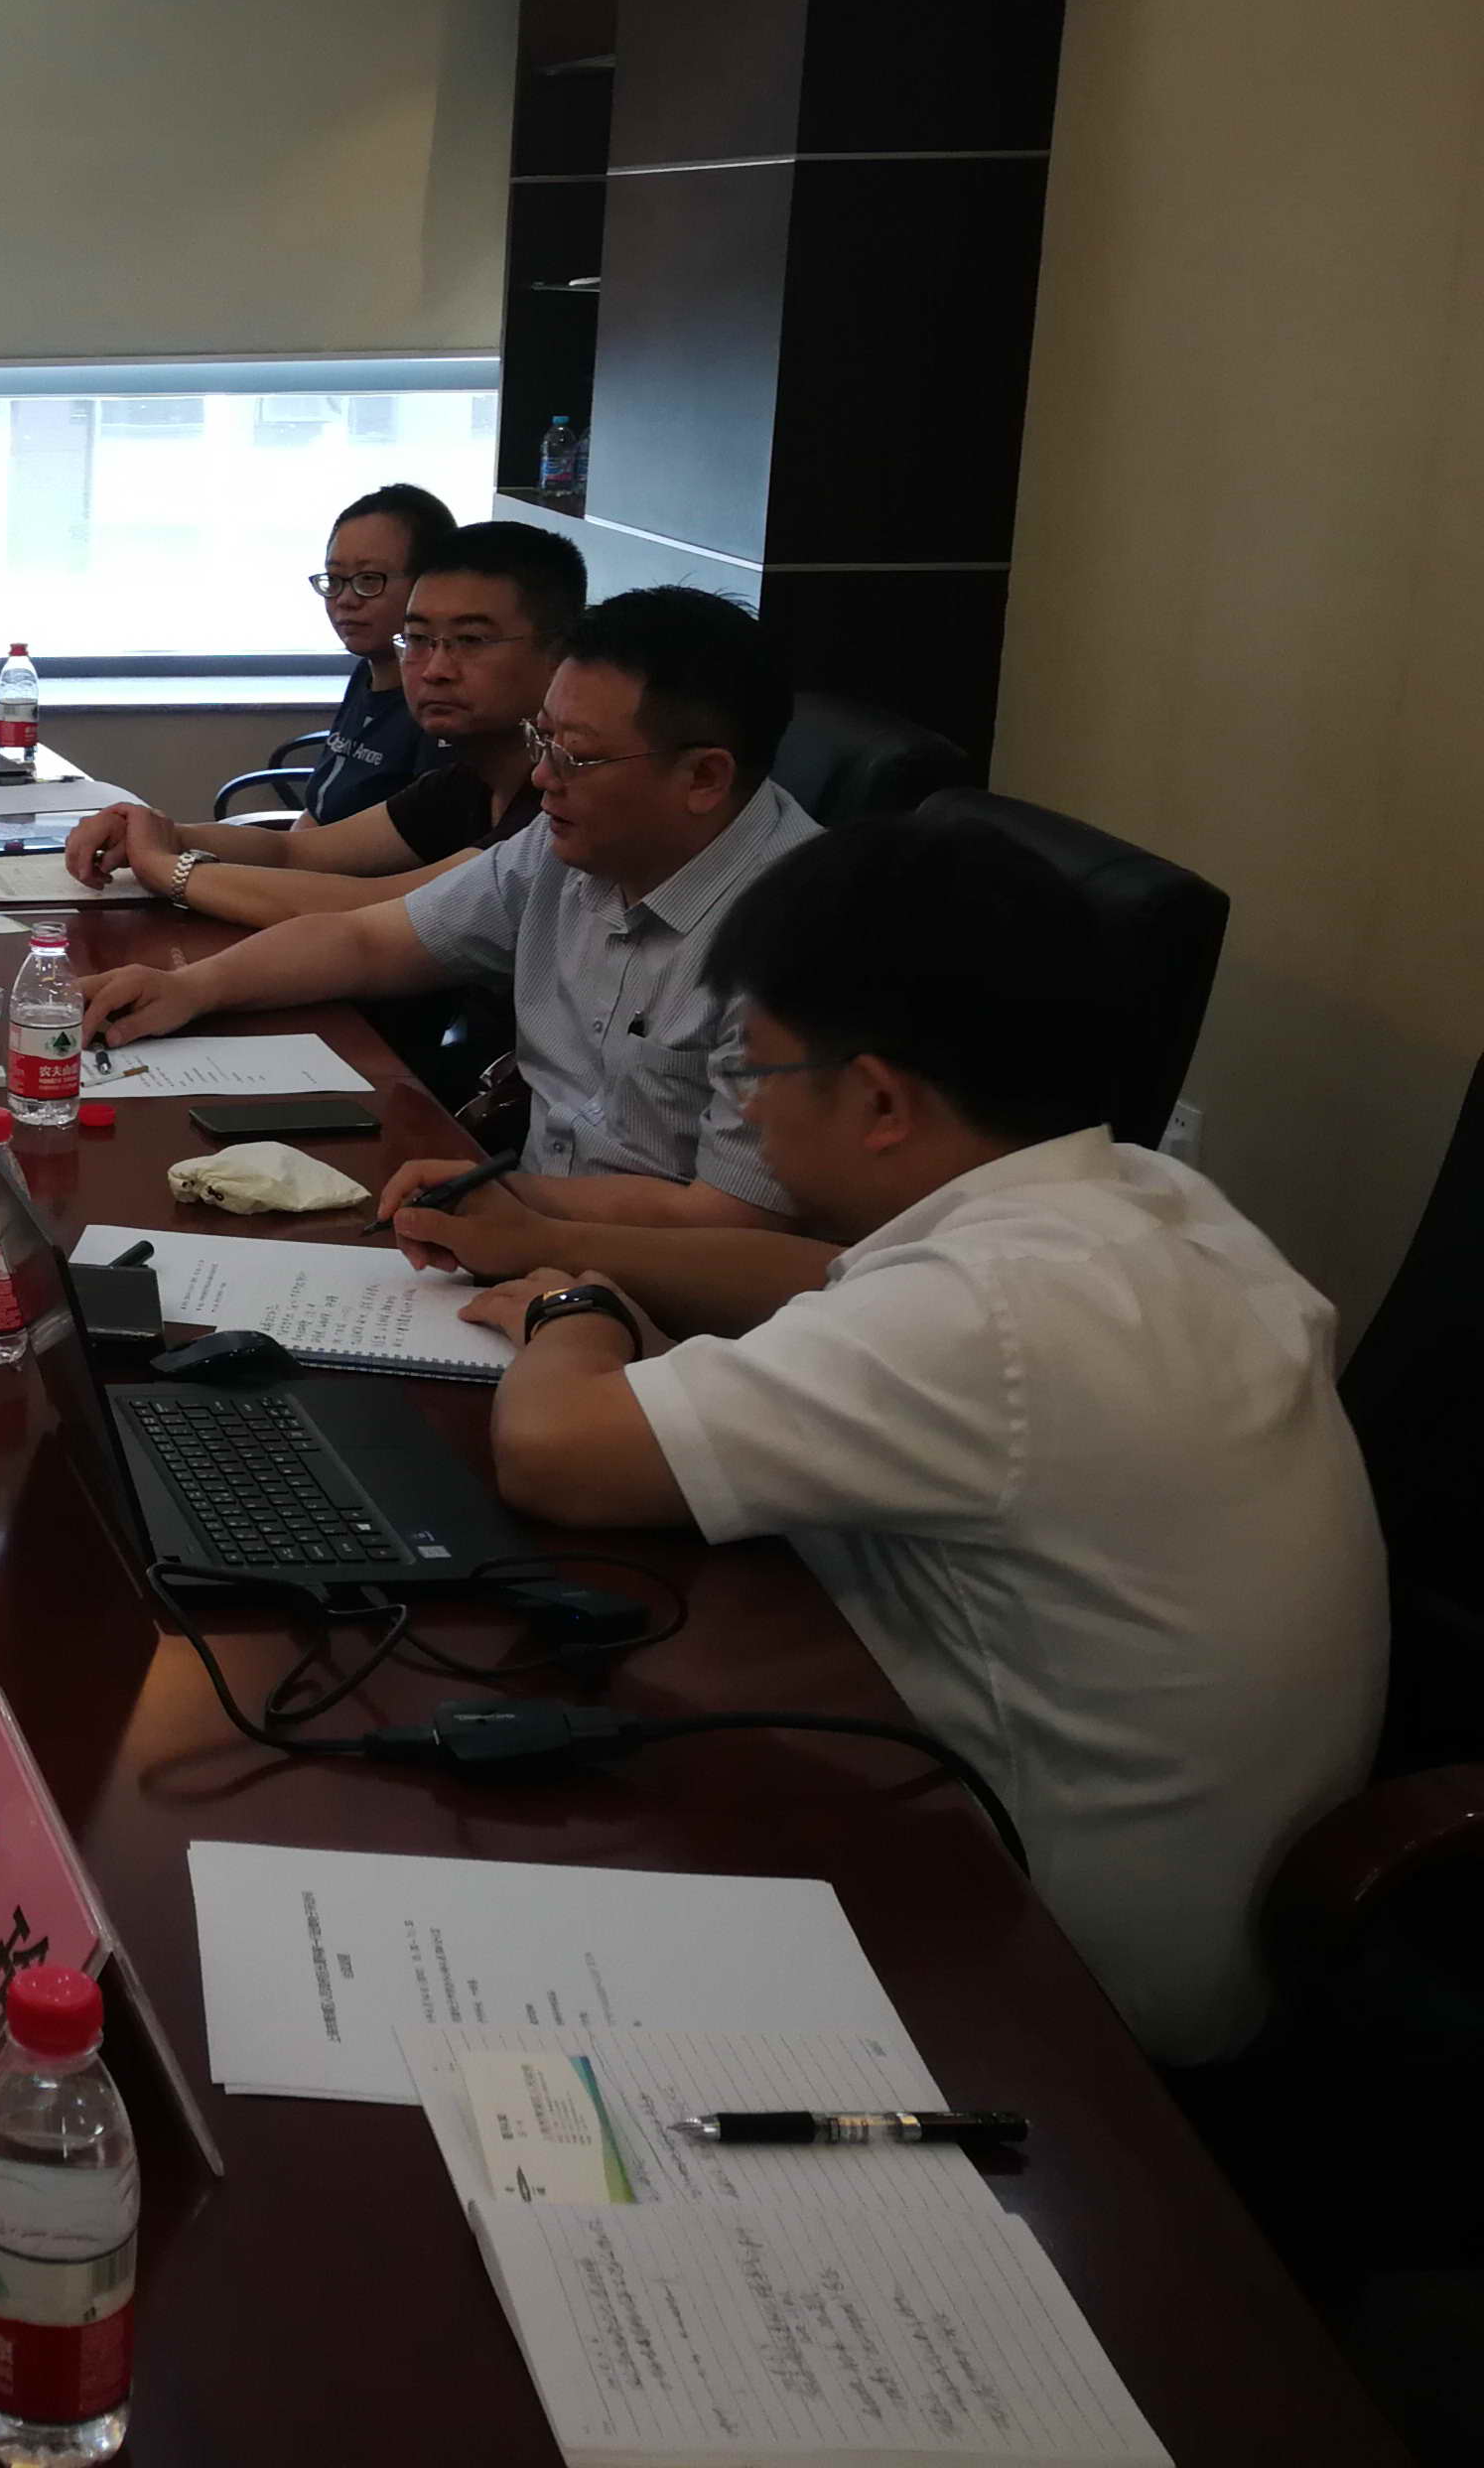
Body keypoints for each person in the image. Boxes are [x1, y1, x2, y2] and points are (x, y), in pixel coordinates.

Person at [448, 817, 1386, 2064]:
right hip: (1177, 1904)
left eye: (755, 1076)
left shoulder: (985, 1314)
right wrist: (583, 1267)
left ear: (879, 1099)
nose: (746, 1115)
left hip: (1056, 1990)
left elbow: (553, 1451)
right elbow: (829, 1288)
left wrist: (571, 1309)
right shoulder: (1145, 1203)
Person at [81, 585, 820, 1230]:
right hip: (524, 1228)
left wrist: (492, 1199)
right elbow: (370, 939)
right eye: (543, 739)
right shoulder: (569, 846)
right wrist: (189, 987)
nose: (543, 775)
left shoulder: (805, 935)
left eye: (577, 755)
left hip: (655, 1283)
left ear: (704, 777)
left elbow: (737, 1218)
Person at [61, 521, 584, 929]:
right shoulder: (469, 779)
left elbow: (380, 907)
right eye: (419, 640)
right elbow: (297, 852)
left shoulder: (559, 798)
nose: (435, 669)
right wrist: (156, 832)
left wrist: (166, 868)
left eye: (470, 641)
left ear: (560, 653)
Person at [298, 484, 462, 821]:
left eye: (369, 579)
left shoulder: (442, 704)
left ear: (428, 584)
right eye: (335, 578)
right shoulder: (368, 670)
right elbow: (317, 811)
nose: (346, 600)